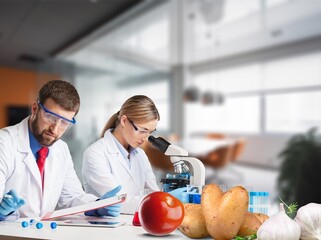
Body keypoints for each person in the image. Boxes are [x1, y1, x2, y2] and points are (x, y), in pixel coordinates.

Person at [0, 80, 120, 221]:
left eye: (64, 122)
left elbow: (71, 197)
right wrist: (2, 212)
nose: (55, 129)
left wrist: (97, 206)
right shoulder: (4, 143)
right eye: (50, 117)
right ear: (34, 109)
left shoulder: (61, 149)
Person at [82, 95, 186, 214]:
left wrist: (167, 199)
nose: (146, 139)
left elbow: (154, 194)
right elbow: (117, 201)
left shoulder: (140, 154)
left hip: (138, 224)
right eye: (142, 131)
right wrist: (162, 201)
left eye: (150, 132)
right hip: (106, 227)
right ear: (124, 121)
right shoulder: (95, 154)